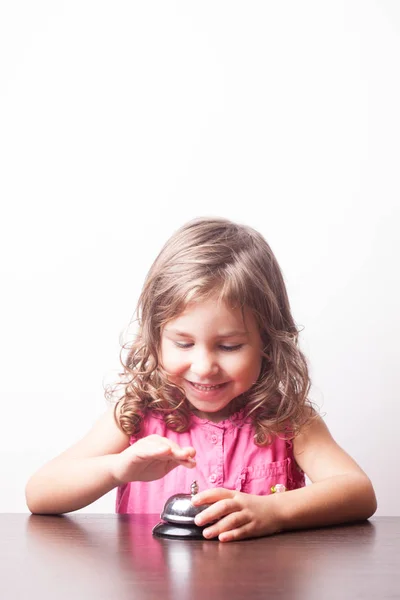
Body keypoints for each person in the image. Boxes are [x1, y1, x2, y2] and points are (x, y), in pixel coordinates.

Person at [25, 217, 377, 542]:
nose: (204, 366)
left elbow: (358, 491)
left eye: (229, 346)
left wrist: (275, 512)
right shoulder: (138, 416)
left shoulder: (288, 421)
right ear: (156, 338)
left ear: (267, 343)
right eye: (183, 343)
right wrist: (118, 468)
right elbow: (40, 493)